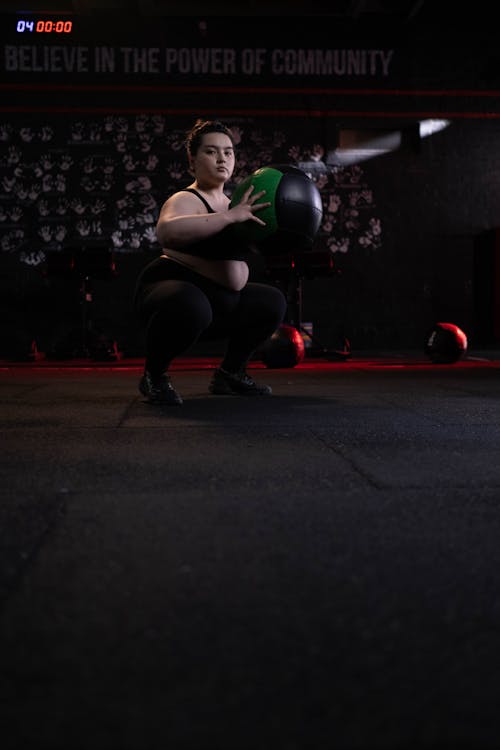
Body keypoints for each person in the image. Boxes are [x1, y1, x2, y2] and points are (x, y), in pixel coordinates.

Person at [133, 119, 287, 405]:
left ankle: (230, 374)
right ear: (192, 160)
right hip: (170, 296)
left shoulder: (235, 204)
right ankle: (154, 375)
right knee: (192, 304)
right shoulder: (186, 198)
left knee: (271, 301)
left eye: (228, 152)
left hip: (219, 301)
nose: (222, 159)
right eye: (211, 152)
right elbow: (167, 231)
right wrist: (229, 218)